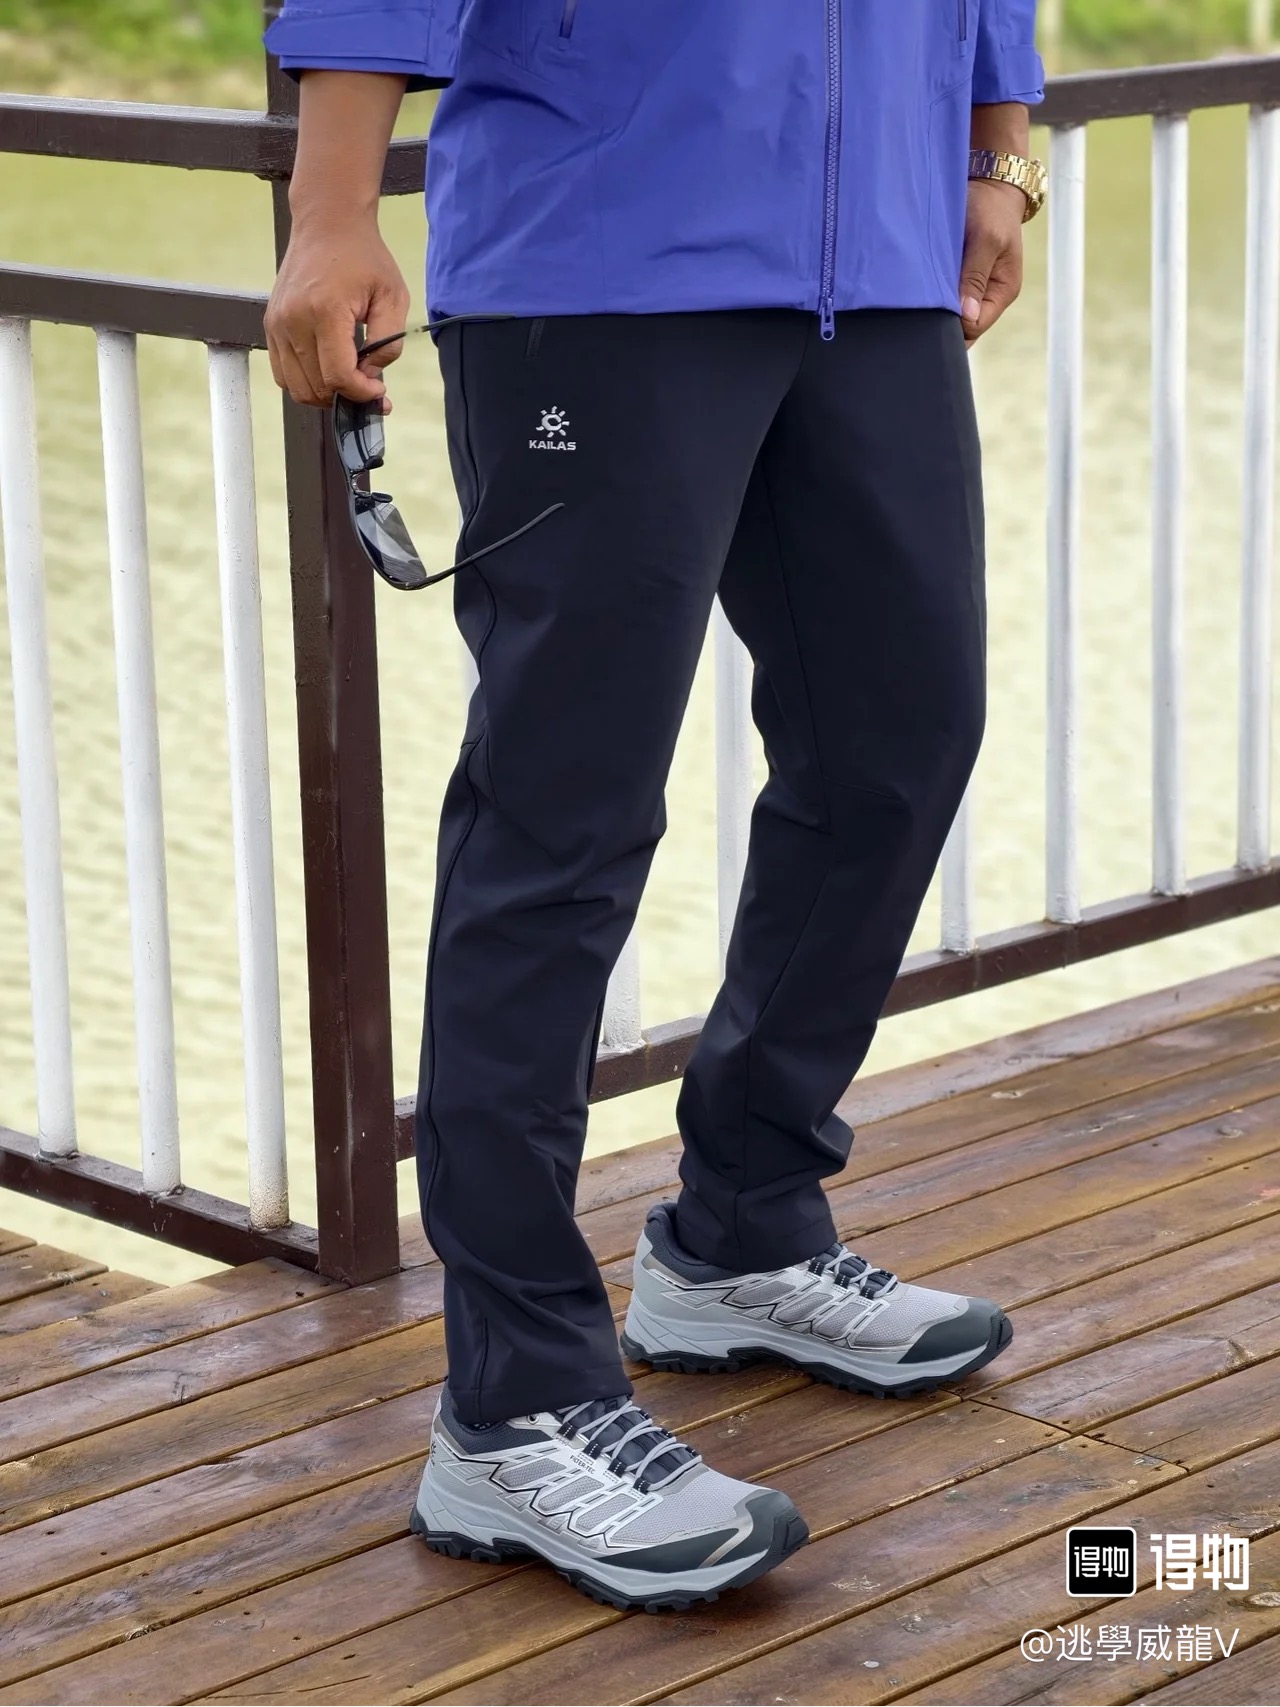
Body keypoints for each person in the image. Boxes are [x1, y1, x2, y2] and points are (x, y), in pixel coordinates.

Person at [264, 0, 1046, 1613]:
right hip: (601, 255)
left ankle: (741, 1229)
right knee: (565, 813)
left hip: (875, 259)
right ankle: (515, 1402)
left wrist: (998, 146)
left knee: (898, 739)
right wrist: (331, 210)